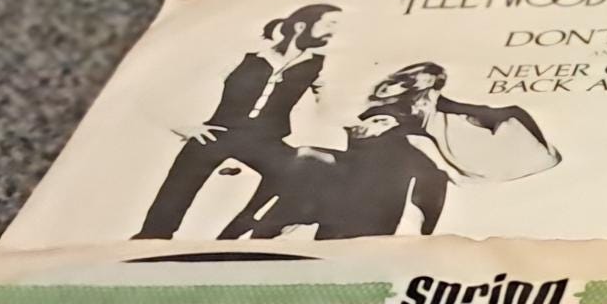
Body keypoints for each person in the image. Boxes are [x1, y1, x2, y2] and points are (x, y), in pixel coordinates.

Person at [227, 61, 559, 238]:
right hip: (354, 177)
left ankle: (257, 225)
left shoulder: (422, 118)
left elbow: (436, 162)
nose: (397, 85)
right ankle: (253, 225)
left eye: (413, 81)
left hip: (378, 186)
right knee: (305, 160)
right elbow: (338, 120)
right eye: (403, 79)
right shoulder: (374, 108)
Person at [138, 2, 339, 237]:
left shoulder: (317, 65)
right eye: (330, 24)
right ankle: (153, 236)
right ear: (301, 27)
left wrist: (326, 94)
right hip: (220, 132)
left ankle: (236, 236)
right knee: (185, 172)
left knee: (301, 170)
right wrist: (182, 125)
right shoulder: (245, 56)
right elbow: (181, 86)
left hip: (267, 142)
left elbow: (332, 110)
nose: (333, 32)